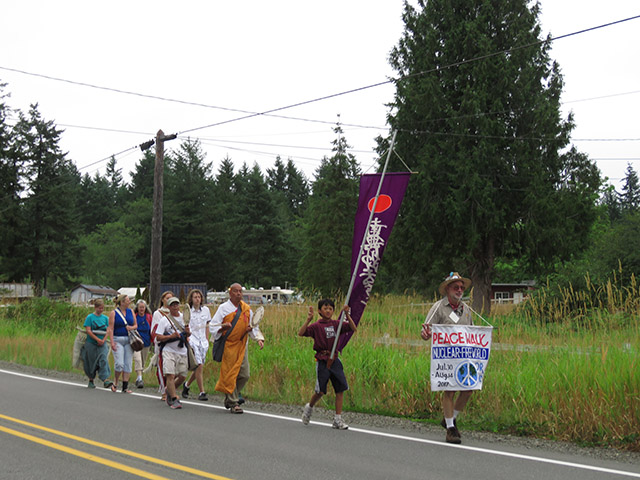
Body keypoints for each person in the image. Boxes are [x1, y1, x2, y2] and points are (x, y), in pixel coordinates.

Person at [421, 272, 474, 444]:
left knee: (468, 388)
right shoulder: (438, 307)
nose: (459, 290)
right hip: (445, 357)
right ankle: (451, 429)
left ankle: (449, 418)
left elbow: (472, 332)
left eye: (461, 288)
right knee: (449, 389)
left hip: (463, 356)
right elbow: (426, 332)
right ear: (447, 289)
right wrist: (426, 333)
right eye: (456, 287)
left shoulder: (466, 309)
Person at [298, 299, 357, 430]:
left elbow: (353, 328)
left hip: (334, 359)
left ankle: (338, 419)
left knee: (340, 389)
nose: (328, 311)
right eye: (325, 308)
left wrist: (347, 315)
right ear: (320, 311)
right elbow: (301, 333)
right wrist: (308, 319)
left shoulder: (337, 324)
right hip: (322, 360)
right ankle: (309, 407)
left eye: (331, 308)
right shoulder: (316, 326)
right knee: (320, 391)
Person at [211, 283, 264, 414]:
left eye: (240, 291)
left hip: (242, 345)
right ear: (230, 293)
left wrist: (258, 338)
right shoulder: (223, 308)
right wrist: (222, 327)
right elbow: (213, 326)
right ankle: (234, 402)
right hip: (229, 346)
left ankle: (230, 397)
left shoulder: (246, 309)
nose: (239, 293)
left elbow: (254, 326)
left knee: (245, 375)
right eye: (236, 291)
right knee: (230, 374)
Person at [154, 296, 190, 409]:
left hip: (182, 350)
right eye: (173, 305)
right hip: (169, 350)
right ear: (169, 307)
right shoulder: (164, 320)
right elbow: (158, 337)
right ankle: (174, 399)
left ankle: (169, 389)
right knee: (170, 374)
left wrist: (188, 333)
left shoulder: (184, 319)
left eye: (177, 304)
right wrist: (171, 336)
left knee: (183, 375)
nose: (175, 307)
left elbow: (188, 335)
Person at [182, 289, 211, 401]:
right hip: (193, 340)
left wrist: (207, 339)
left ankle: (187, 385)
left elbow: (207, 325)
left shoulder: (206, 310)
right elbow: (186, 325)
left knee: (199, 367)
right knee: (199, 365)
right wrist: (188, 338)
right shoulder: (188, 311)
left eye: (199, 297)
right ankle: (202, 392)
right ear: (191, 299)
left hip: (203, 341)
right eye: (195, 297)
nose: (197, 299)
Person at [81, 298, 116, 392]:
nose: (101, 310)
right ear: (95, 307)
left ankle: (105, 379)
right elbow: (88, 330)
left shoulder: (105, 318)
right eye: (99, 308)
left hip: (102, 343)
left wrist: (103, 340)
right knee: (91, 362)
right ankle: (91, 379)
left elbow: (108, 330)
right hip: (91, 343)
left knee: (103, 358)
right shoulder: (90, 317)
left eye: (102, 308)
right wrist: (96, 339)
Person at [108, 294, 138, 393]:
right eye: (127, 300)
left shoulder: (131, 312)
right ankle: (115, 381)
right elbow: (111, 328)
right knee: (119, 363)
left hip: (129, 340)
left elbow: (135, 325)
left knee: (128, 363)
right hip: (118, 339)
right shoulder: (114, 313)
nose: (129, 302)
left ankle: (125, 386)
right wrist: (112, 342)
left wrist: (131, 328)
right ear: (122, 302)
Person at [151, 290, 175, 401]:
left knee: (174, 369)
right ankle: (164, 391)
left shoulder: (175, 313)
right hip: (162, 344)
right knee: (162, 368)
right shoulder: (158, 313)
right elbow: (155, 330)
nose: (169, 300)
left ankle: (171, 388)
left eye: (171, 298)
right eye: (167, 298)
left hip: (174, 344)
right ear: (162, 300)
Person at [133, 299, 152, 388]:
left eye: (143, 307)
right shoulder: (134, 316)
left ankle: (139, 378)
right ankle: (139, 378)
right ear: (137, 308)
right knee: (138, 359)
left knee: (143, 361)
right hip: (136, 342)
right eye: (140, 307)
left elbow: (152, 329)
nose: (141, 309)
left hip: (146, 342)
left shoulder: (149, 317)